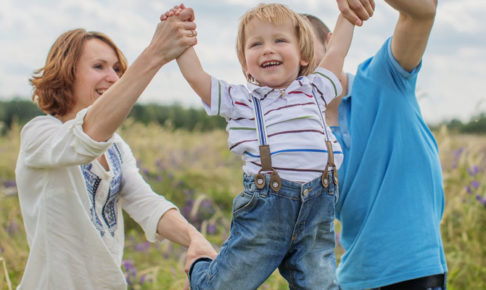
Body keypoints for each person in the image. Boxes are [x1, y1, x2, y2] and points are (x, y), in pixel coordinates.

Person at [15, 9, 216, 289]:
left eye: (118, 69)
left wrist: (196, 239)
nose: (113, 77)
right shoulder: (38, 134)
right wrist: (155, 53)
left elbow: (146, 203)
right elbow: (85, 139)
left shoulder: (116, 147)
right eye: (99, 67)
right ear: (66, 74)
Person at [162, 3, 354, 289]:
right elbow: (198, 78)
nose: (268, 49)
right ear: (245, 64)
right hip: (265, 217)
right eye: (256, 44)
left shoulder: (316, 89)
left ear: (304, 56)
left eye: (279, 40)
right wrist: (182, 35)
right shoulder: (240, 101)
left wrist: (348, 14)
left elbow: (337, 50)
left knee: (322, 285)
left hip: (316, 214)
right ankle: (200, 268)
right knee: (227, 285)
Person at [303, 0, 447, 289]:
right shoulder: (303, 142)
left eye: (305, 45)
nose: (300, 59)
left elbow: (422, 12)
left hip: (413, 274)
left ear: (332, 42)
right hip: (350, 281)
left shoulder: (385, 78)